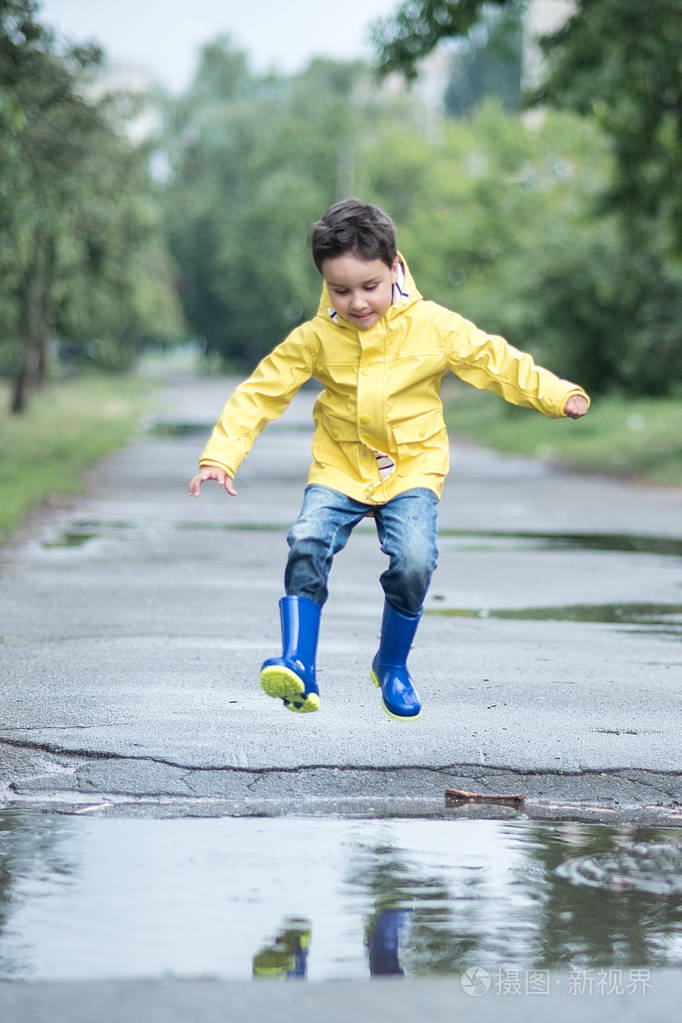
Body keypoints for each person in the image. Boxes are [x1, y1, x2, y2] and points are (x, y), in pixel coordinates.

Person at [188, 198, 589, 721]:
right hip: (341, 466)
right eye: (340, 289)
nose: (356, 303)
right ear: (324, 283)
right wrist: (221, 455)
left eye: (368, 287)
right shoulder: (316, 337)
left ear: (395, 266)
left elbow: (496, 362)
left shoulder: (434, 325)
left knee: (415, 561)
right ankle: (299, 665)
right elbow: (261, 392)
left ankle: (392, 664)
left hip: (412, 467)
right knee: (307, 541)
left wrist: (557, 395)